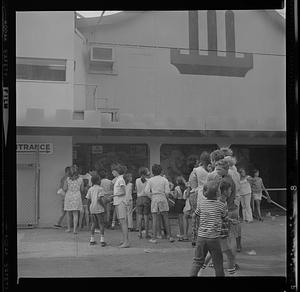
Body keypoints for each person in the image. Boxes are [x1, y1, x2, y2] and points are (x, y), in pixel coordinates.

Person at [199, 180, 239, 276]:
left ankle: (199, 270)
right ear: (224, 191)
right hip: (220, 233)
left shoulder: (222, 201)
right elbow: (217, 217)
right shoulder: (221, 202)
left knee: (211, 254)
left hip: (218, 233)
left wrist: (230, 220)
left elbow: (222, 216)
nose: (231, 191)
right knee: (230, 256)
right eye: (229, 190)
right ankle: (232, 274)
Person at [190, 180, 226, 277]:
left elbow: (195, 215)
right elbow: (224, 217)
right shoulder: (221, 205)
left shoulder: (201, 204)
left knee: (197, 261)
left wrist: (194, 229)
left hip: (201, 237)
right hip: (214, 238)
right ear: (218, 193)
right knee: (218, 263)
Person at [144, 164, 175, 243]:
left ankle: (154, 238)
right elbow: (167, 192)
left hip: (154, 198)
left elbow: (146, 191)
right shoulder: (164, 180)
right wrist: (166, 199)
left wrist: (151, 197)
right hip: (163, 197)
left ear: (152, 172)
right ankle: (170, 236)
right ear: (161, 171)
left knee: (154, 218)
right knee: (166, 218)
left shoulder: (150, 180)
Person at [111, 164, 130, 248]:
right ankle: (124, 240)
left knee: (123, 222)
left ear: (116, 171)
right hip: (118, 202)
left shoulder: (120, 179)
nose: (112, 172)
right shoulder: (118, 179)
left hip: (120, 202)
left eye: (113, 171)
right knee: (121, 222)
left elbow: (123, 192)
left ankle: (126, 241)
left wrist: (114, 195)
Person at [86, 175, 107, 246]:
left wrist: (89, 208)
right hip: (99, 208)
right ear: (98, 181)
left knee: (93, 224)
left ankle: (92, 240)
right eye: (100, 179)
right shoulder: (100, 189)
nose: (100, 181)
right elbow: (99, 199)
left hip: (92, 208)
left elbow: (88, 200)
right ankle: (102, 240)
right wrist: (104, 207)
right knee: (101, 223)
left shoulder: (90, 189)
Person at [63, 165, 84, 234]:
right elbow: (82, 189)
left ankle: (69, 228)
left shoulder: (67, 179)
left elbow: (65, 189)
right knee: (75, 214)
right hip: (77, 196)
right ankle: (75, 230)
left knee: (68, 213)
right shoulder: (81, 179)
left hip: (69, 196)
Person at [135, 167, 151, 239]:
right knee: (146, 216)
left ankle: (139, 233)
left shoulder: (137, 180)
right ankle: (146, 233)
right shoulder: (148, 180)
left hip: (139, 198)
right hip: (146, 198)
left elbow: (136, 189)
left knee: (139, 216)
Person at [172, 176, 188, 241]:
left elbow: (175, 196)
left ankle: (181, 233)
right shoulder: (186, 187)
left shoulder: (177, 188)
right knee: (185, 218)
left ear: (178, 182)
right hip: (184, 202)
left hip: (178, 202)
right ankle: (185, 233)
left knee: (180, 219)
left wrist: (172, 194)